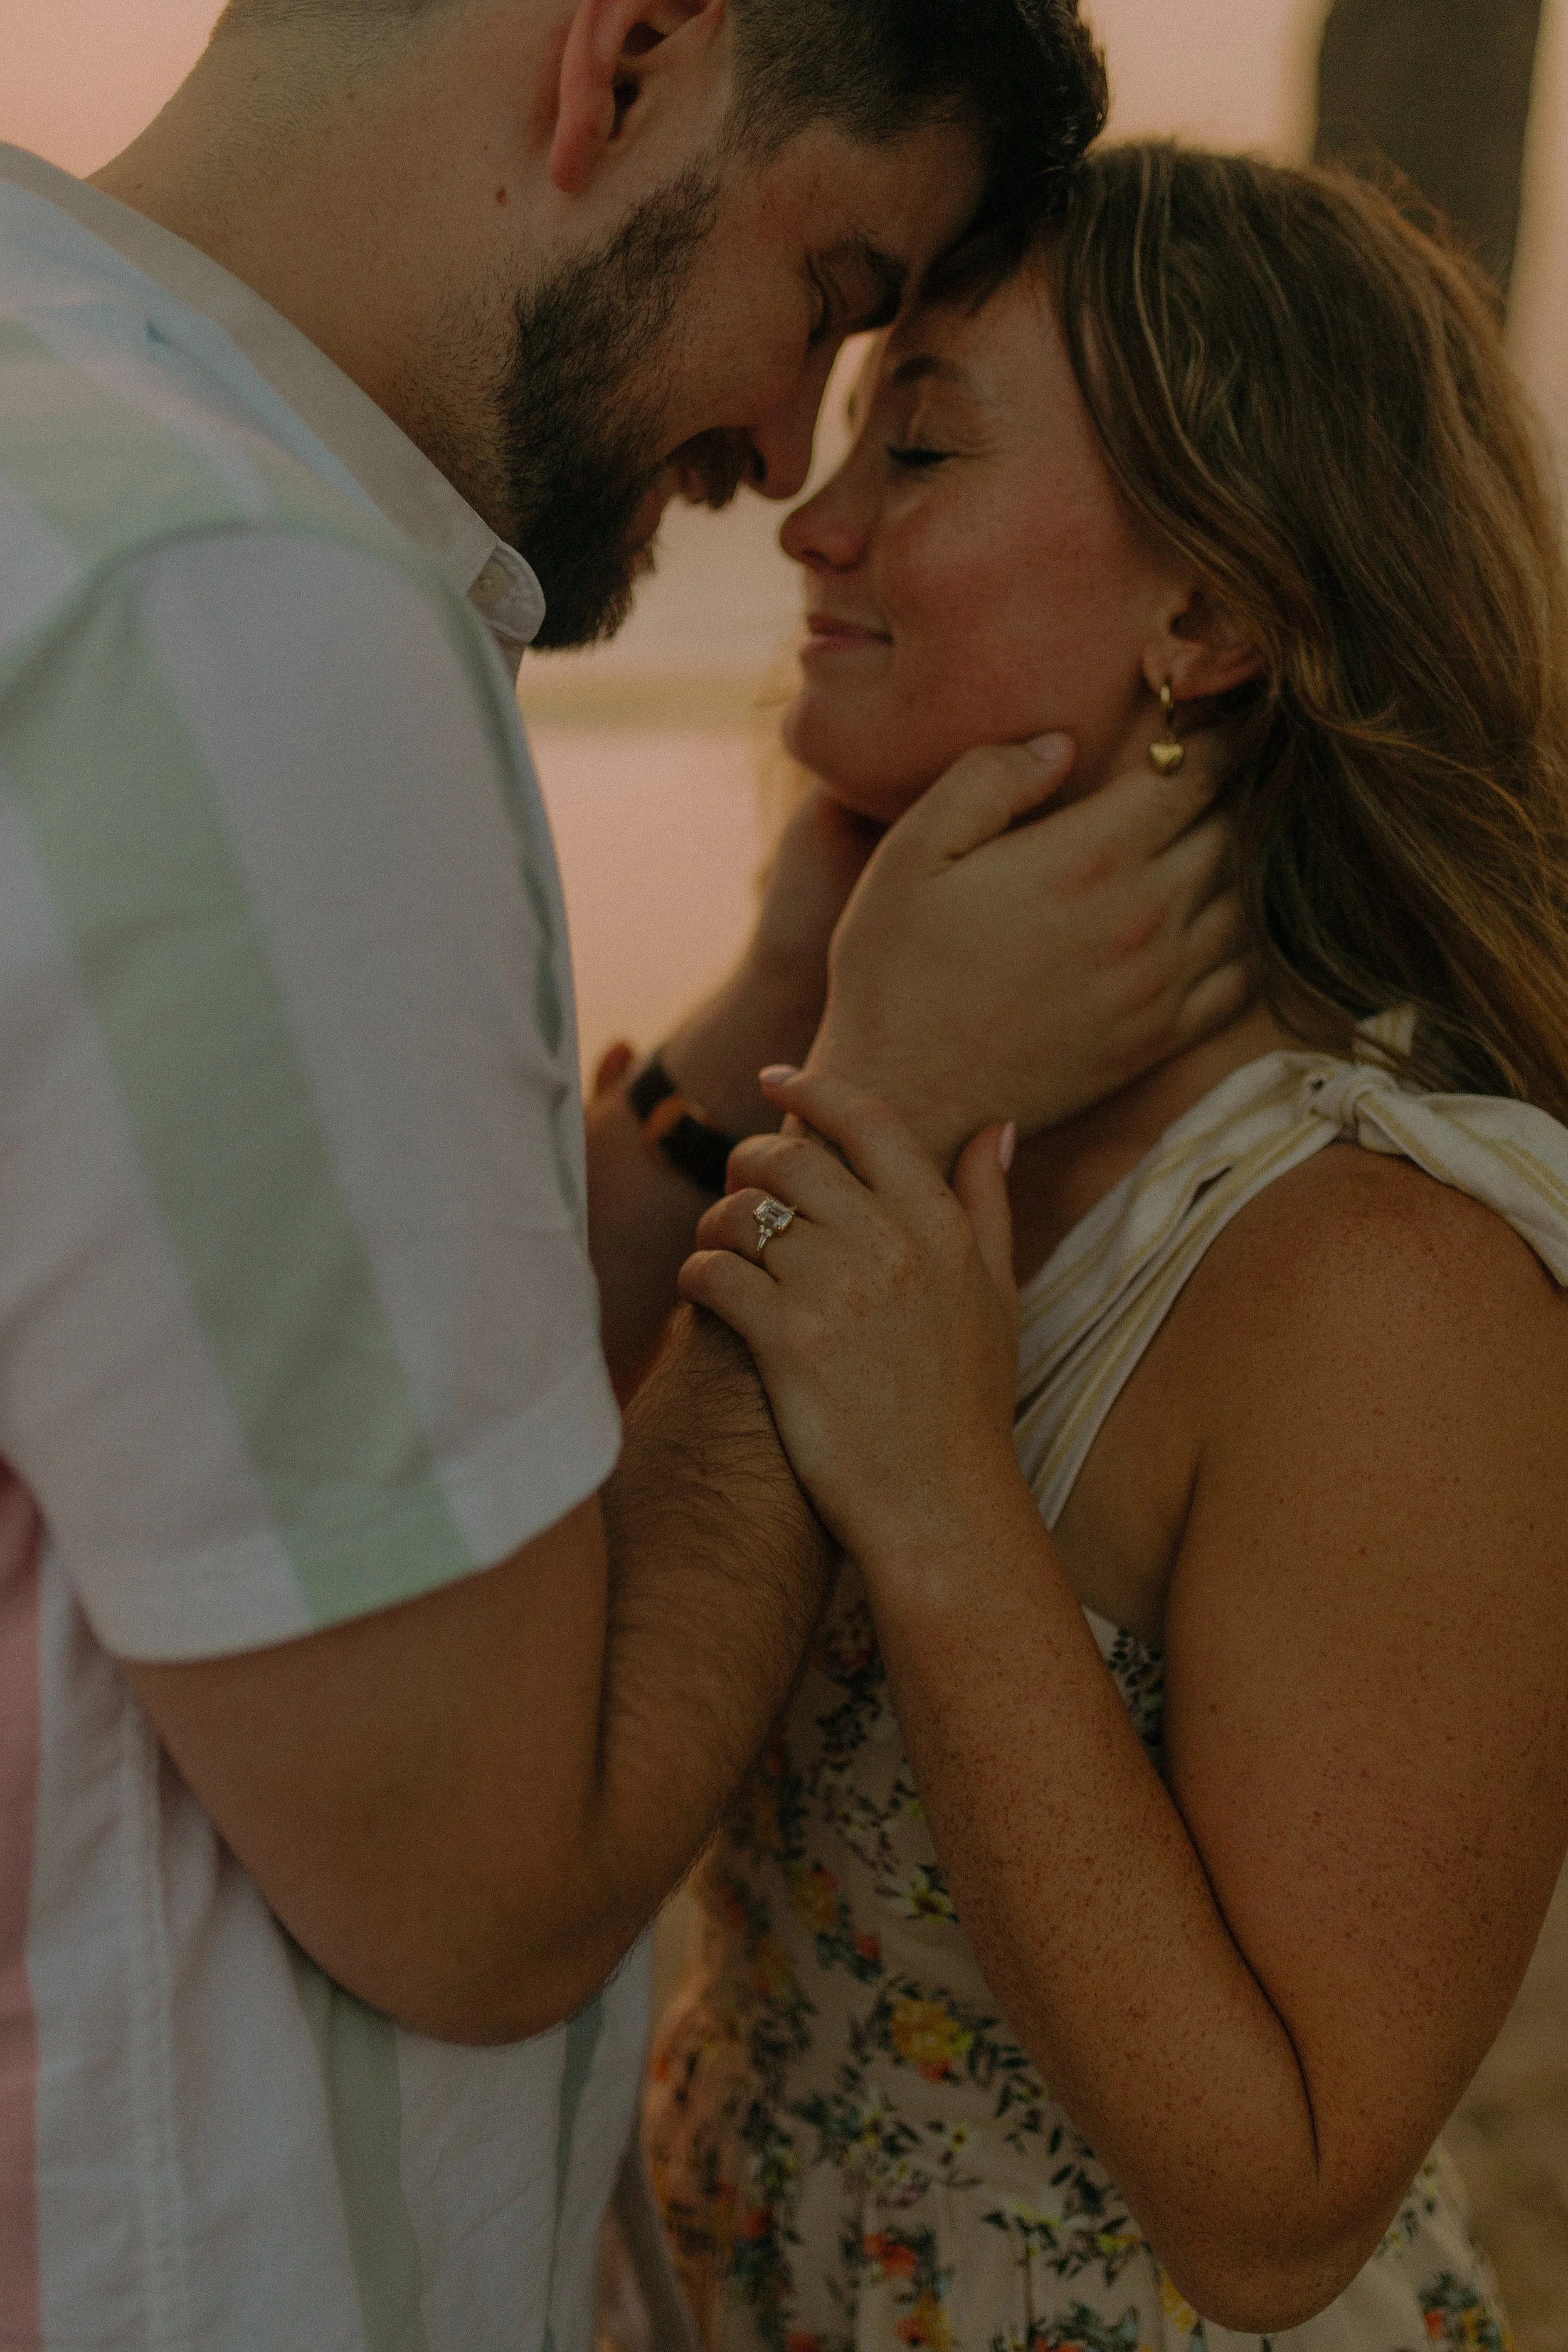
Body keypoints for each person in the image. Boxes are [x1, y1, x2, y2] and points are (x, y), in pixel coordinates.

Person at [0, 5, 1268, 2347]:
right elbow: (493, 1888)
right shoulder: (235, 615)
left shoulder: (60, 441)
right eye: (831, 293)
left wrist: (759, 1029)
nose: (785, 460)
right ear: (633, 52)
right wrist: (877, 1105)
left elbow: (253, 1369)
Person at [652, 144, 1568, 2346]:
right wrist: (791, 1005)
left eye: (925, 444)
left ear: (1206, 619)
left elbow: (1281, 2206)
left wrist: (942, 1488)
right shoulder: (927, 1087)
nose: (810, 518)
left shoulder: (1379, 1270)